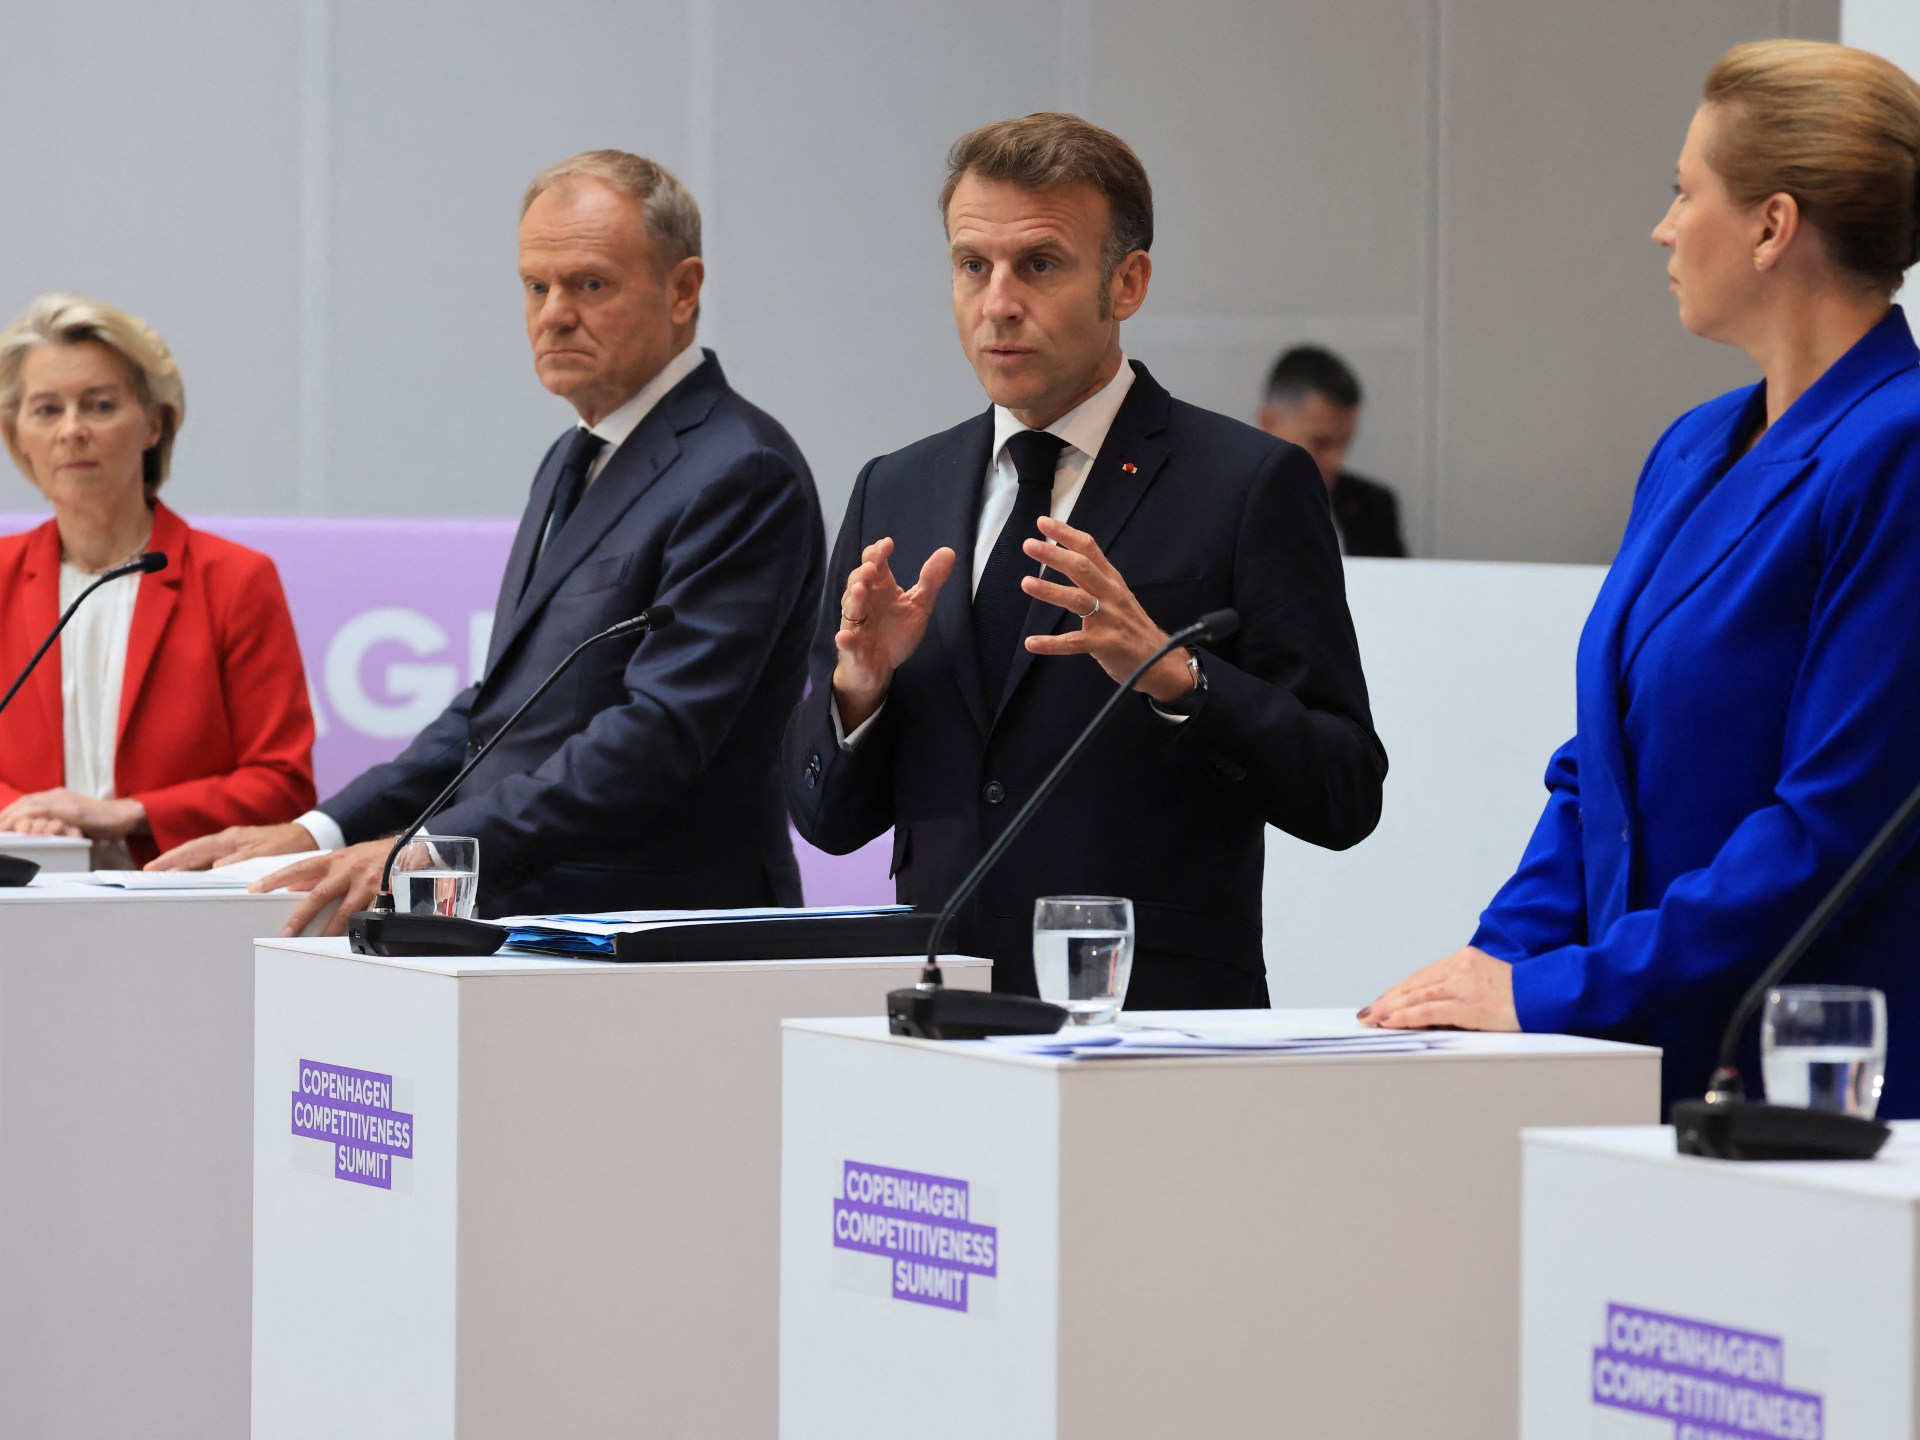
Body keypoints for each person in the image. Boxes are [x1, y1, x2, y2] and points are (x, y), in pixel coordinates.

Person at [1361, 40, 1920, 1117]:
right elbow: (1597, 768)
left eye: (1684, 192)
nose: (1664, 228)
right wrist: (1490, 967)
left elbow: (1831, 827)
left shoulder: (1899, 447)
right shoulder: (1692, 446)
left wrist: (1555, 990)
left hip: (1813, 1082)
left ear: (1772, 225)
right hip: (1647, 1056)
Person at [782, 114, 1385, 1008]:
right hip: (944, 1012)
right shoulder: (896, 489)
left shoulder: (1247, 485)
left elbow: (1345, 792)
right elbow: (827, 821)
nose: (997, 303)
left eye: (1039, 264)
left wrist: (1178, 678)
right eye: (972, 265)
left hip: (1150, 1021)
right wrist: (859, 691)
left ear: (1126, 282)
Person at [155, 151, 826, 934]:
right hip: (535, 921)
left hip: (659, 932)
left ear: (683, 290)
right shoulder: (574, 456)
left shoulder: (740, 470)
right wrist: (322, 830)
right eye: (536, 286)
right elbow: (500, 714)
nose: (553, 314)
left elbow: (659, 734)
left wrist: (427, 850)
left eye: (590, 284)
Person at [0, 294, 315, 868]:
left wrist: (132, 812)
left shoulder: (234, 580)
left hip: (178, 894)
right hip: (23, 899)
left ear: (154, 423)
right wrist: (23, 814)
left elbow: (284, 786)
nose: (71, 430)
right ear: (16, 433)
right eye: (46, 410)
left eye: (99, 405)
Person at [1257, 345, 1406, 558]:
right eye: (1321, 443)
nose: (1336, 460)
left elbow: (1399, 577)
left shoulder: (1373, 506)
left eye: (1345, 442)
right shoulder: (1226, 506)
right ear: (1268, 423)